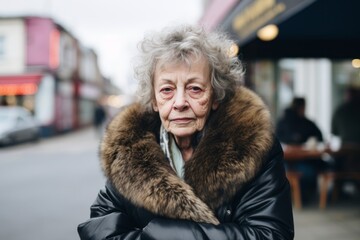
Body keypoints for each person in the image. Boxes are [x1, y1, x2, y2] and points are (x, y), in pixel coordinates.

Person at [78, 24, 294, 240]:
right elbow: (98, 228)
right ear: (154, 100)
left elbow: (271, 234)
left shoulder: (253, 146)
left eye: (195, 89)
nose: (179, 102)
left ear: (215, 96)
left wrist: (158, 236)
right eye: (167, 90)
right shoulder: (129, 152)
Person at [276, 97, 325, 204]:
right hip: (294, 163)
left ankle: (299, 196)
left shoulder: (281, 122)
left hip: (285, 163)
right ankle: (303, 197)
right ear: (301, 107)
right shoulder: (303, 123)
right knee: (310, 170)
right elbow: (320, 137)